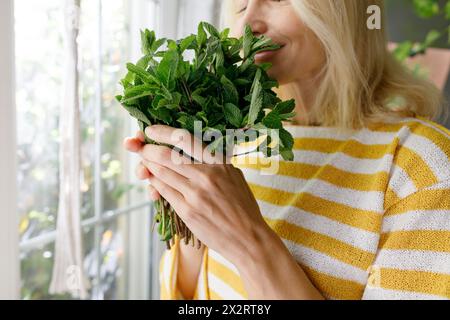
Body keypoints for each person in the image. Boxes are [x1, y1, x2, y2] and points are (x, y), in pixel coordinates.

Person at [124, 0, 450, 300]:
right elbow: (191, 294)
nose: (248, 22)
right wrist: (188, 201)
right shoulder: (238, 139)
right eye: (240, 5)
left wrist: (249, 242)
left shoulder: (422, 168)